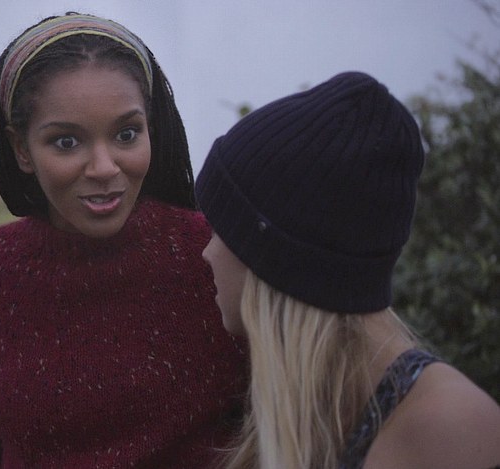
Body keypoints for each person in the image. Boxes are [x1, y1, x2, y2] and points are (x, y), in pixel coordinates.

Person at [0, 12, 248, 468]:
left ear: (151, 129)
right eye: (67, 142)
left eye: (127, 134)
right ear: (22, 149)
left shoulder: (215, 254)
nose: (104, 168)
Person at [195, 71, 500, 469]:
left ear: (272, 258)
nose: (207, 252)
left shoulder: (451, 428)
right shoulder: (319, 412)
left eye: (219, 228)